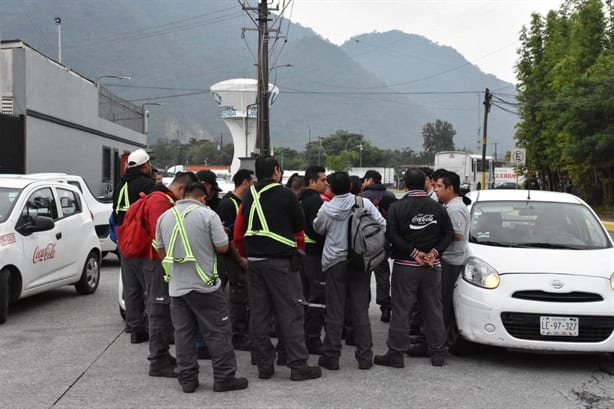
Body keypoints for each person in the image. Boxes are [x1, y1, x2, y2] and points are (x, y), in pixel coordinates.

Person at [233, 156, 321, 382]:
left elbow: (239, 229)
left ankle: (264, 365)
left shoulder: (249, 195)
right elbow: (299, 224)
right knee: (291, 312)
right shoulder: (285, 194)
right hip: (280, 262)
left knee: (260, 314)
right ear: (276, 171)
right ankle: (298, 364)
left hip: (254, 261)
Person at [155, 182, 248, 393]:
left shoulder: (165, 217)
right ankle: (224, 377)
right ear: (203, 198)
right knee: (218, 332)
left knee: (183, 334)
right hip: (205, 285)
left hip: (178, 287)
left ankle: (187, 379)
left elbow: (160, 249)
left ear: (183, 194)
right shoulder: (208, 215)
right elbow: (222, 246)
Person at [374, 169, 454, 368]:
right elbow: (449, 233)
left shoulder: (397, 207)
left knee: (401, 309)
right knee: (434, 308)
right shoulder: (438, 208)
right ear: (426, 183)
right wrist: (434, 253)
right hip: (432, 266)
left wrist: (413, 253)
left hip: (406, 265)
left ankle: (396, 353)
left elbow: (391, 234)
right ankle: (438, 353)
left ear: (405, 185)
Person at [313, 171, 386, 371]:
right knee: (360, 309)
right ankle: (364, 357)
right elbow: (382, 224)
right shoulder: (364, 204)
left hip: (335, 263)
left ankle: (331, 356)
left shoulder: (327, 208)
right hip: (360, 262)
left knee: (335, 311)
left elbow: (318, 228)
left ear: (332, 188)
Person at [141, 171, 197, 377]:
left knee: (163, 311)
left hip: (159, 263)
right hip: (157, 264)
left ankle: (162, 354)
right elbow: (160, 239)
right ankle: (157, 361)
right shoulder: (160, 201)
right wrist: (169, 263)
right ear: (182, 189)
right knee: (159, 312)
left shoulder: (163, 199)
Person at [113, 148, 155, 343]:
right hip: (141, 240)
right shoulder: (148, 184)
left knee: (131, 286)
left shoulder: (120, 185)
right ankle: (149, 326)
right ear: (145, 165)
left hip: (123, 241)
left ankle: (133, 325)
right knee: (149, 286)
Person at [216, 169, 254, 351]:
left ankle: (242, 331)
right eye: (252, 182)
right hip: (231, 258)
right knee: (238, 295)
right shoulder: (228, 204)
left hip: (240, 256)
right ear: (245, 182)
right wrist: (239, 259)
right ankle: (237, 335)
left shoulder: (244, 202)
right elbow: (227, 237)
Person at [435, 171, 470, 346]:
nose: (436, 190)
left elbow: (457, 234)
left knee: (443, 301)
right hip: (449, 259)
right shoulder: (450, 206)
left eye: (440, 186)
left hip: (451, 260)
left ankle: (441, 340)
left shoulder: (455, 208)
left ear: (450, 188)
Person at [298, 166, 328, 355]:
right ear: (311, 182)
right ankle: (313, 339)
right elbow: (319, 229)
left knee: (303, 297)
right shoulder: (315, 201)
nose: (326, 183)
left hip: (300, 255)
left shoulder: (298, 198)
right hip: (314, 256)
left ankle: (301, 336)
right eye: (323, 180)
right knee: (317, 298)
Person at [361, 169, 396, 323]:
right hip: (384, 241)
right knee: (382, 275)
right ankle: (385, 306)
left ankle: (363, 306)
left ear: (370, 180)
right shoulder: (390, 196)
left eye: (365, 180)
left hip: (365, 242)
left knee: (365, 275)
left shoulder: (363, 197)